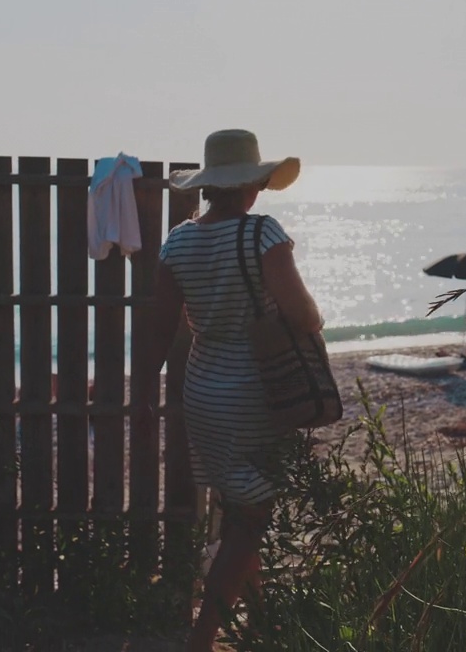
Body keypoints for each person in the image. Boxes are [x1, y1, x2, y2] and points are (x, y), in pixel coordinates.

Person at [133, 129, 323, 651]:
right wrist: (316, 318)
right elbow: (301, 314)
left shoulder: (178, 239)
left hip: (202, 391)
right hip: (255, 393)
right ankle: (201, 639)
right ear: (253, 185)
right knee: (249, 522)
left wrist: (145, 392)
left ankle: (261, 625)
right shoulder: (263, 234)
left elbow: (161, 326)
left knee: (239, 509)